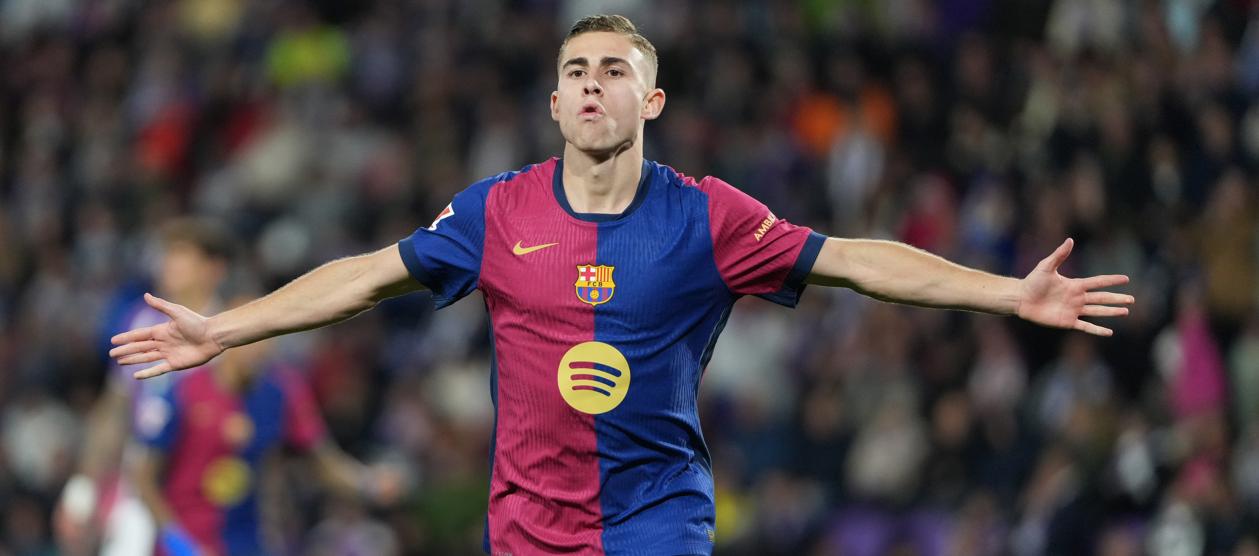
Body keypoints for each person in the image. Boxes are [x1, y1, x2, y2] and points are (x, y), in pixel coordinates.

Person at [109, 15, 1135, 556]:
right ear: (553, 101)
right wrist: (226, 330)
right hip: (524, 524)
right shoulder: (496, 212)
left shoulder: (707, 216)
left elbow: (859, 260)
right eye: (577, 70)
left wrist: (1007, 292)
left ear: (651, 96)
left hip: (653, 517)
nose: (593, 83)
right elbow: (366, 276)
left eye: (614, 68)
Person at [127, 326, 403, 556]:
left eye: (263, 338)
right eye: (247, 338)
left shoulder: (282, 393)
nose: (256, 348)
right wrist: (178, 543)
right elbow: (144, 477)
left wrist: (367, 484)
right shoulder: (184, 391)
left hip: (248, 542)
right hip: (186, 541)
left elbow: (322, 460)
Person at [56, 218, 234, 556]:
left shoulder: (232, 333)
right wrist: (82, 488)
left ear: (214, 268)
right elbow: (116, 408)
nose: (168, 262)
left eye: (181, 253)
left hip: (207, 496)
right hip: (141, 491)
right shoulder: (140, 321)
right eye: (167, 252)